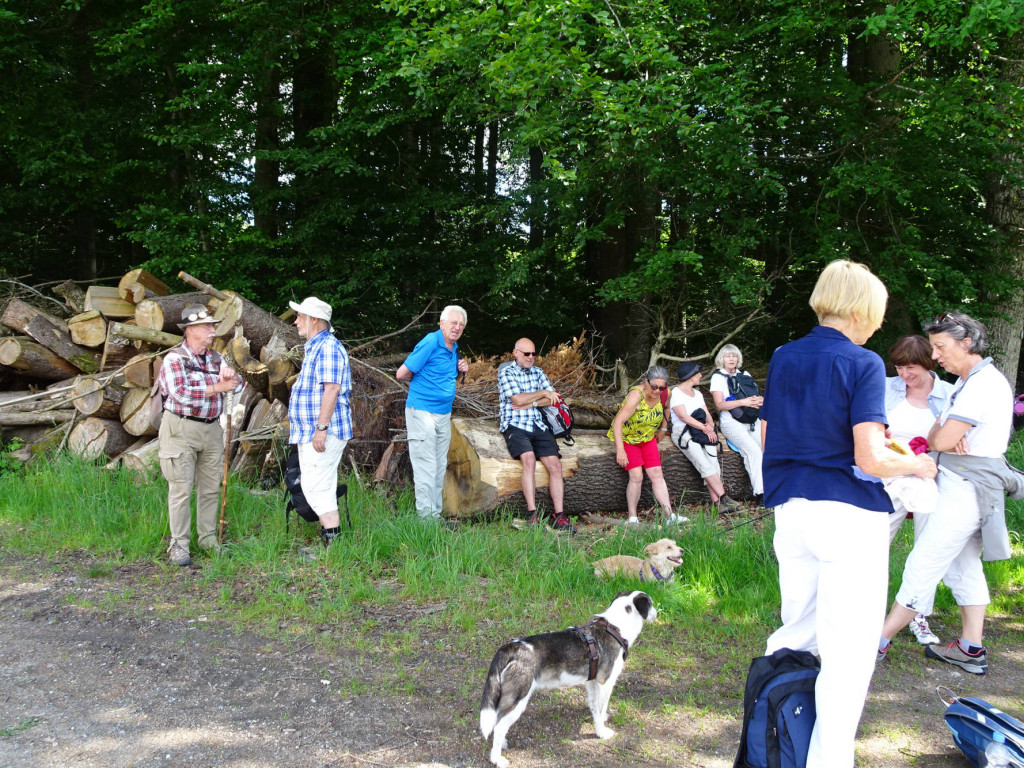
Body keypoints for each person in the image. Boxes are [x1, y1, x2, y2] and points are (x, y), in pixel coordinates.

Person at [759, 260, 936, 768]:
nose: (879, 325)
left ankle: (775, 744)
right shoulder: (862, 364)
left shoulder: (784, 356)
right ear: (862, 309)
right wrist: (917, 464)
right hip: (847, 515)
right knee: (849, 653)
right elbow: (868, 457)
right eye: (877, 314)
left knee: (796, 635)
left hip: (790, 510)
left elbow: (771, 437)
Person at [877, 312, 1023, 675]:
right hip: (959, 483)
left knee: (922, 562)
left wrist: (942, 433)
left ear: (967, 343)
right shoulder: (967, 381)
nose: (937, 356)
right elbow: (940, 435)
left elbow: (937, 439)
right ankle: (971, 648)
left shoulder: (982, 384)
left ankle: (877, 640)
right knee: (962, 566)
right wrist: (943, 432)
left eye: (941, 347)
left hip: (966, 490)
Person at [880, 335, 954, 646]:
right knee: (875, 540)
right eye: (899, 367)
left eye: (911, 368)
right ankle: (867, 609)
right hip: (889, 475)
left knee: (926, 550)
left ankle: (918, 614)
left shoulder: (950, 394)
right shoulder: (884, 388)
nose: (904, 374)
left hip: (931, 480)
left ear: (928, 363)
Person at [157, 304, 244, 567]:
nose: (212, 330)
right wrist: (219, 385)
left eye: (212, 325)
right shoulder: (174, 359)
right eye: (207, 326)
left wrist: (232, 375)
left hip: (211, 428)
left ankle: (207, 539)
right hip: (180, 428)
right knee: (181, 490)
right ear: (191, 330)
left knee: (209, 488)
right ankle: (179, 546)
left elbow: (235, 385)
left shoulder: (217, 358)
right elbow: (181, 393)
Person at [288, 296, 353, 553]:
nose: (295, 322)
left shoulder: (327, 347)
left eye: (300, 317)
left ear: (314, 320)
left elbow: (332, 389)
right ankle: (331, 541)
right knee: (319, 485)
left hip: (324, 431)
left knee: (316, 487)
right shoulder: (316, 347)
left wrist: (321, 430)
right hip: (312, 432)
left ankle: (333, 544)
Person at [396, 305, 470, 525]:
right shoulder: (430, 342)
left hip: (442, 415)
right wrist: (423, 386)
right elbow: (402, 373)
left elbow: (444, 376)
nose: (456, 328)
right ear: (442, 323)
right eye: (453, 323)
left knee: (438, 466)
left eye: (461, 324)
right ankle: (426, 522)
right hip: (422, 412)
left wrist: (461, 371)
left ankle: (434, 517)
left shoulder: (453, 347)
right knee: (425, 467)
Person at [497, 338, 575, 532]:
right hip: (515, 424)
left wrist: (531, 402)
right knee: (529, 460)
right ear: (515, 353)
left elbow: (553, 399)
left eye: (534, 354)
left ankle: (559, 516)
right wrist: (541, 393)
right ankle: (533, 515)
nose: (531, 358)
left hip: (538, 424)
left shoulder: (538, 372)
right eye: (526, 354)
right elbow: (517, 398)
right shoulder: (506, 372)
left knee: (555, 465)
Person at [607, 366, 685, 525]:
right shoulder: (636, 395)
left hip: (648, 438)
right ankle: (633, 517)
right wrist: (620, 450)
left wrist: (663, 428)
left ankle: (669, 515)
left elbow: (667, 408)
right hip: (628, 438)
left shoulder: (665, 393)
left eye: (661, 387)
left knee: (657, 473)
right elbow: (618, 423)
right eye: (654, 386)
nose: (657, 390)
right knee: (636, 476)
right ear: (646, 381)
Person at [671, 361, 740, 512]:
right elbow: (683, 417)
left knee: (713, 463)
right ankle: (723, 497)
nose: (701, 375)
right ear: (690, 376)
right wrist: (704, 427)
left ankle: (717, 504)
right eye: (698, 373)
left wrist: (709, 426)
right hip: (684, 431)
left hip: (701, 429)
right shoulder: (676, 393)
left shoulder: (698, 394)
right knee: (703, 463)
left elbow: (707, 414)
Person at [708, 345, 764, 504]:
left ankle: (774, 488)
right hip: (731, 421)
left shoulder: (745, 374)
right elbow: (719, 405)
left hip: (752, 419)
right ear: (721, 359)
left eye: (734, 356)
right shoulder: (718, 377)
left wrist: (758, 401)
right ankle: (761, 494)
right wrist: (743, 402)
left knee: (766, 448)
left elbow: (756, 396)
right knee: (753, 451)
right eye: (727, 356)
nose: (731, 359)